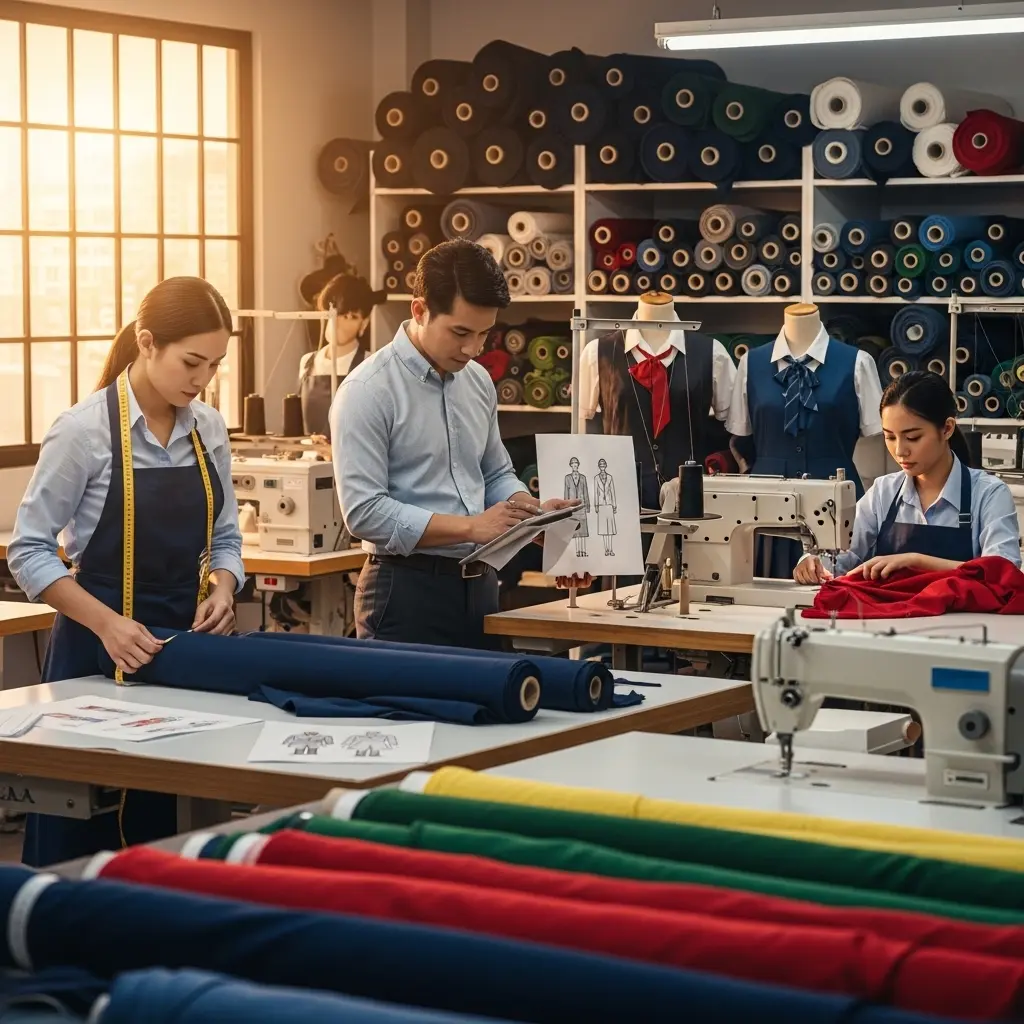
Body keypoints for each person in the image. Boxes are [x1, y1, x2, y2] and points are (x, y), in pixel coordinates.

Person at [8, 276, 245, 866]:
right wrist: (109, 626)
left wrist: (223, 585)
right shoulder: (84, 431)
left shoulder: (208, 428)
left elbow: (226, 537)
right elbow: (29, 551)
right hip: (93, 653)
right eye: (192, 362)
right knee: (79, 846)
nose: (202, 381)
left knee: (170, 833)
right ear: (146, 342)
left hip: (181, 653)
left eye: (214, 366)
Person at [331, 239, 578, 648]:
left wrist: (532, 516)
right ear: (419, 310)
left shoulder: (477, 380)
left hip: (481, 589)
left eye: (484, 333)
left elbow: (495, 472)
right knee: (408, 712)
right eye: (460, 332)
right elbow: (363, 512)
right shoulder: (367, 391)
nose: (473, 349)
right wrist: (472, 527)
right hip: (404, 593)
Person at [795, 370, 1020, 584]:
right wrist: (813, 562)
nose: (900, 450)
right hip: (891, 619)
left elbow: (1002, 572)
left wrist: (915, 562)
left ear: (947, 429)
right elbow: (841, 558)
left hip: (964, 621)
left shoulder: (988, 494)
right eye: (890, 437)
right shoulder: (883, 493)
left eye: (912, 437)